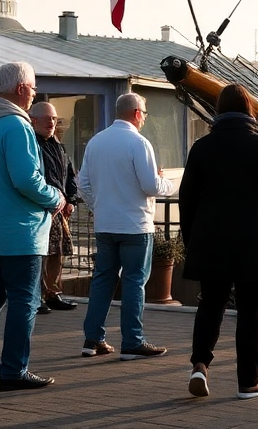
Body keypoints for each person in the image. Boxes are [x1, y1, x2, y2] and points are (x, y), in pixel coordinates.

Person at [179, 84, 258, 399]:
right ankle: (248, 381)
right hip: (252, 240)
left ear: (218, 111)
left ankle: (200, 365)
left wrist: (192, 241)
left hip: (210, 239)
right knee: (249, 310)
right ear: (249, 110)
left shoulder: (201, 147)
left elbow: (186, 199)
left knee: (210, 304)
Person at [0, 62, 64, 391]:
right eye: (33, 88)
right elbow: (25, 179)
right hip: (19, 230)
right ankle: (14, 370)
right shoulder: (17, 126)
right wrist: (55, 198)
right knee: (24, 299)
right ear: (20, 88)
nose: (34, 94)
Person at [79, 92, 176, 361]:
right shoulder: (139, 143)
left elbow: (83, 184)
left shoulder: (96, 142)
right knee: (134, 281)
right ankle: (132, 341)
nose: (145, 118)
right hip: (135, 224)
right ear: (136, 113)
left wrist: (97, 205)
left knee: (102, 280)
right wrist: (167, 183)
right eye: (144, 113)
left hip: (105, 223)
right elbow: (150, 185)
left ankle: (92, 339)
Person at [29, 102, 79, 315]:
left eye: (55, 119)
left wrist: (71, 200)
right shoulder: (31, 143)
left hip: (59, 210)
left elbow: (69, 174)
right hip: (39, 208)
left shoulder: (58, 145)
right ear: (34, 120)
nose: (52, 123)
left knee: (57, 252)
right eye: (48, 118)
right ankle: (36, 296)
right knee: (40, 253)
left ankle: (53, 293)